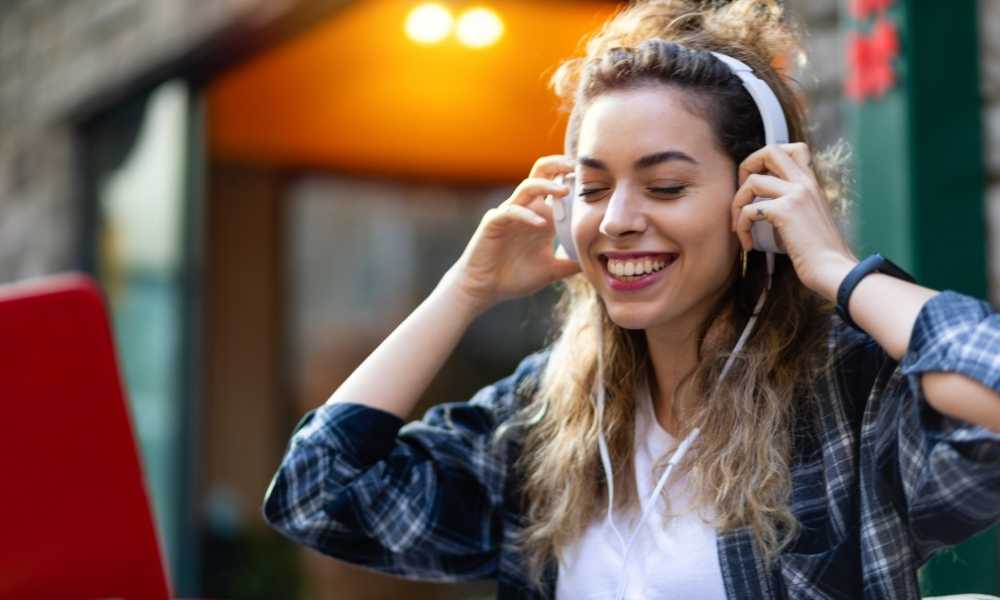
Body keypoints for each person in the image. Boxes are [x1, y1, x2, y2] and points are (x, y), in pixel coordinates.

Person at [262, 1, 1000, 598]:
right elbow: (317, 492)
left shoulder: (849, 398)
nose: (615, 220)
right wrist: (463, 291)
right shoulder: (544, 416)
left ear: (758, 200)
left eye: (666, 186)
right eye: (591, 188)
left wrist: (837, 269)